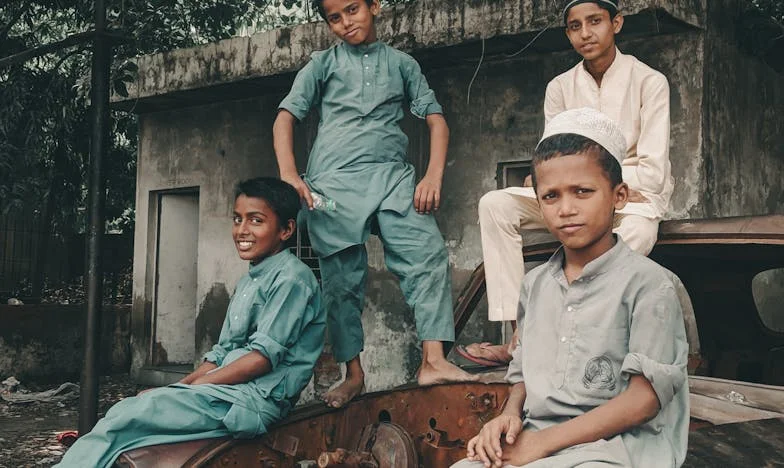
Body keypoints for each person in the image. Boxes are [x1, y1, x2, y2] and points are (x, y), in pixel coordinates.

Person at [451, 108, 688, 468]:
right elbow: (522, 377)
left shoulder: (651, 285)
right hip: (537, 436)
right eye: (551, 196)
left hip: (619, 447)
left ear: (618, 196)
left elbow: (644, 401)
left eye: (582, 192)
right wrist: (508, 417)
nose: (566, 209)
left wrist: (541, 444)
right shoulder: (534, 285)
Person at [273, 0, 477, 409]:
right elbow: (285, 118)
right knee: (341, 282)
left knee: (426, 253)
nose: (346, 22)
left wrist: (432, 176)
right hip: (332, 185)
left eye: (353, 9)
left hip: (391, 178)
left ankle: (433, 360)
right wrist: (290, 176)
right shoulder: (322, 65)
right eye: (335, 17)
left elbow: (435, 119)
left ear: (375, 6)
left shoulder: (402, 64)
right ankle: (354, 375)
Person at [460, 0, 674, 367]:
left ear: (616, 23)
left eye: (595, 22)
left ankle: (578, 335)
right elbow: (552, 156)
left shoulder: (650, 82)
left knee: (638, 235)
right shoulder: (560, 87)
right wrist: (550, 177)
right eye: (575, 26)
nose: (586, 33)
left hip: (630, 201)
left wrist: (595, 180)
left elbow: (652, 171)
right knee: (495, 204)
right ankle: (520, 336)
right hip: (573, 196)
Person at [55, 177, 325, 468]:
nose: (242, 230)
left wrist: (196, 388)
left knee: (126, 417)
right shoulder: (250, 279)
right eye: (237, 219)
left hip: (251, 401)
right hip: (226, 393)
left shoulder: (291, 280)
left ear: (286, 229)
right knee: (130, 416)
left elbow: (261, 360)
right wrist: (178, 387)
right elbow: (222, 352)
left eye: (255, 221)